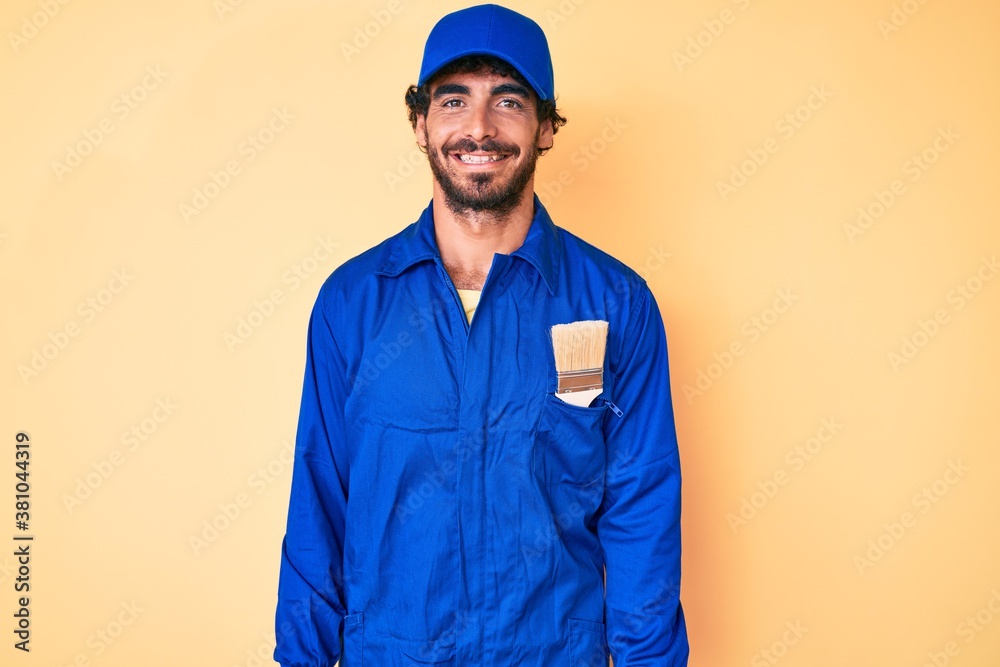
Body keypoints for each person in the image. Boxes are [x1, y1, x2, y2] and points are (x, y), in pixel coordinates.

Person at [273, 4, 689, 665]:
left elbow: (641, 510)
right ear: (420, 122)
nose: (479, 126)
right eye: (454, 99)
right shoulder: (353, 304)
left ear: (546, 126)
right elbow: (319, 505)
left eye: (509, 101)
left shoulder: (615, 304)